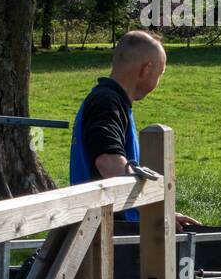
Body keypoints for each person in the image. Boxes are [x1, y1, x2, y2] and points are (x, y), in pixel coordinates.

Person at [69, 30, 199, 231]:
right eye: (159, 74)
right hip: (107, 236)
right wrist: (157, 211)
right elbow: (108, 162)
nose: (158, 82)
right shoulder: (106, 103)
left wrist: (163, 211)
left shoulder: (109, 101)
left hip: (105, 228)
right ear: (146, 69)